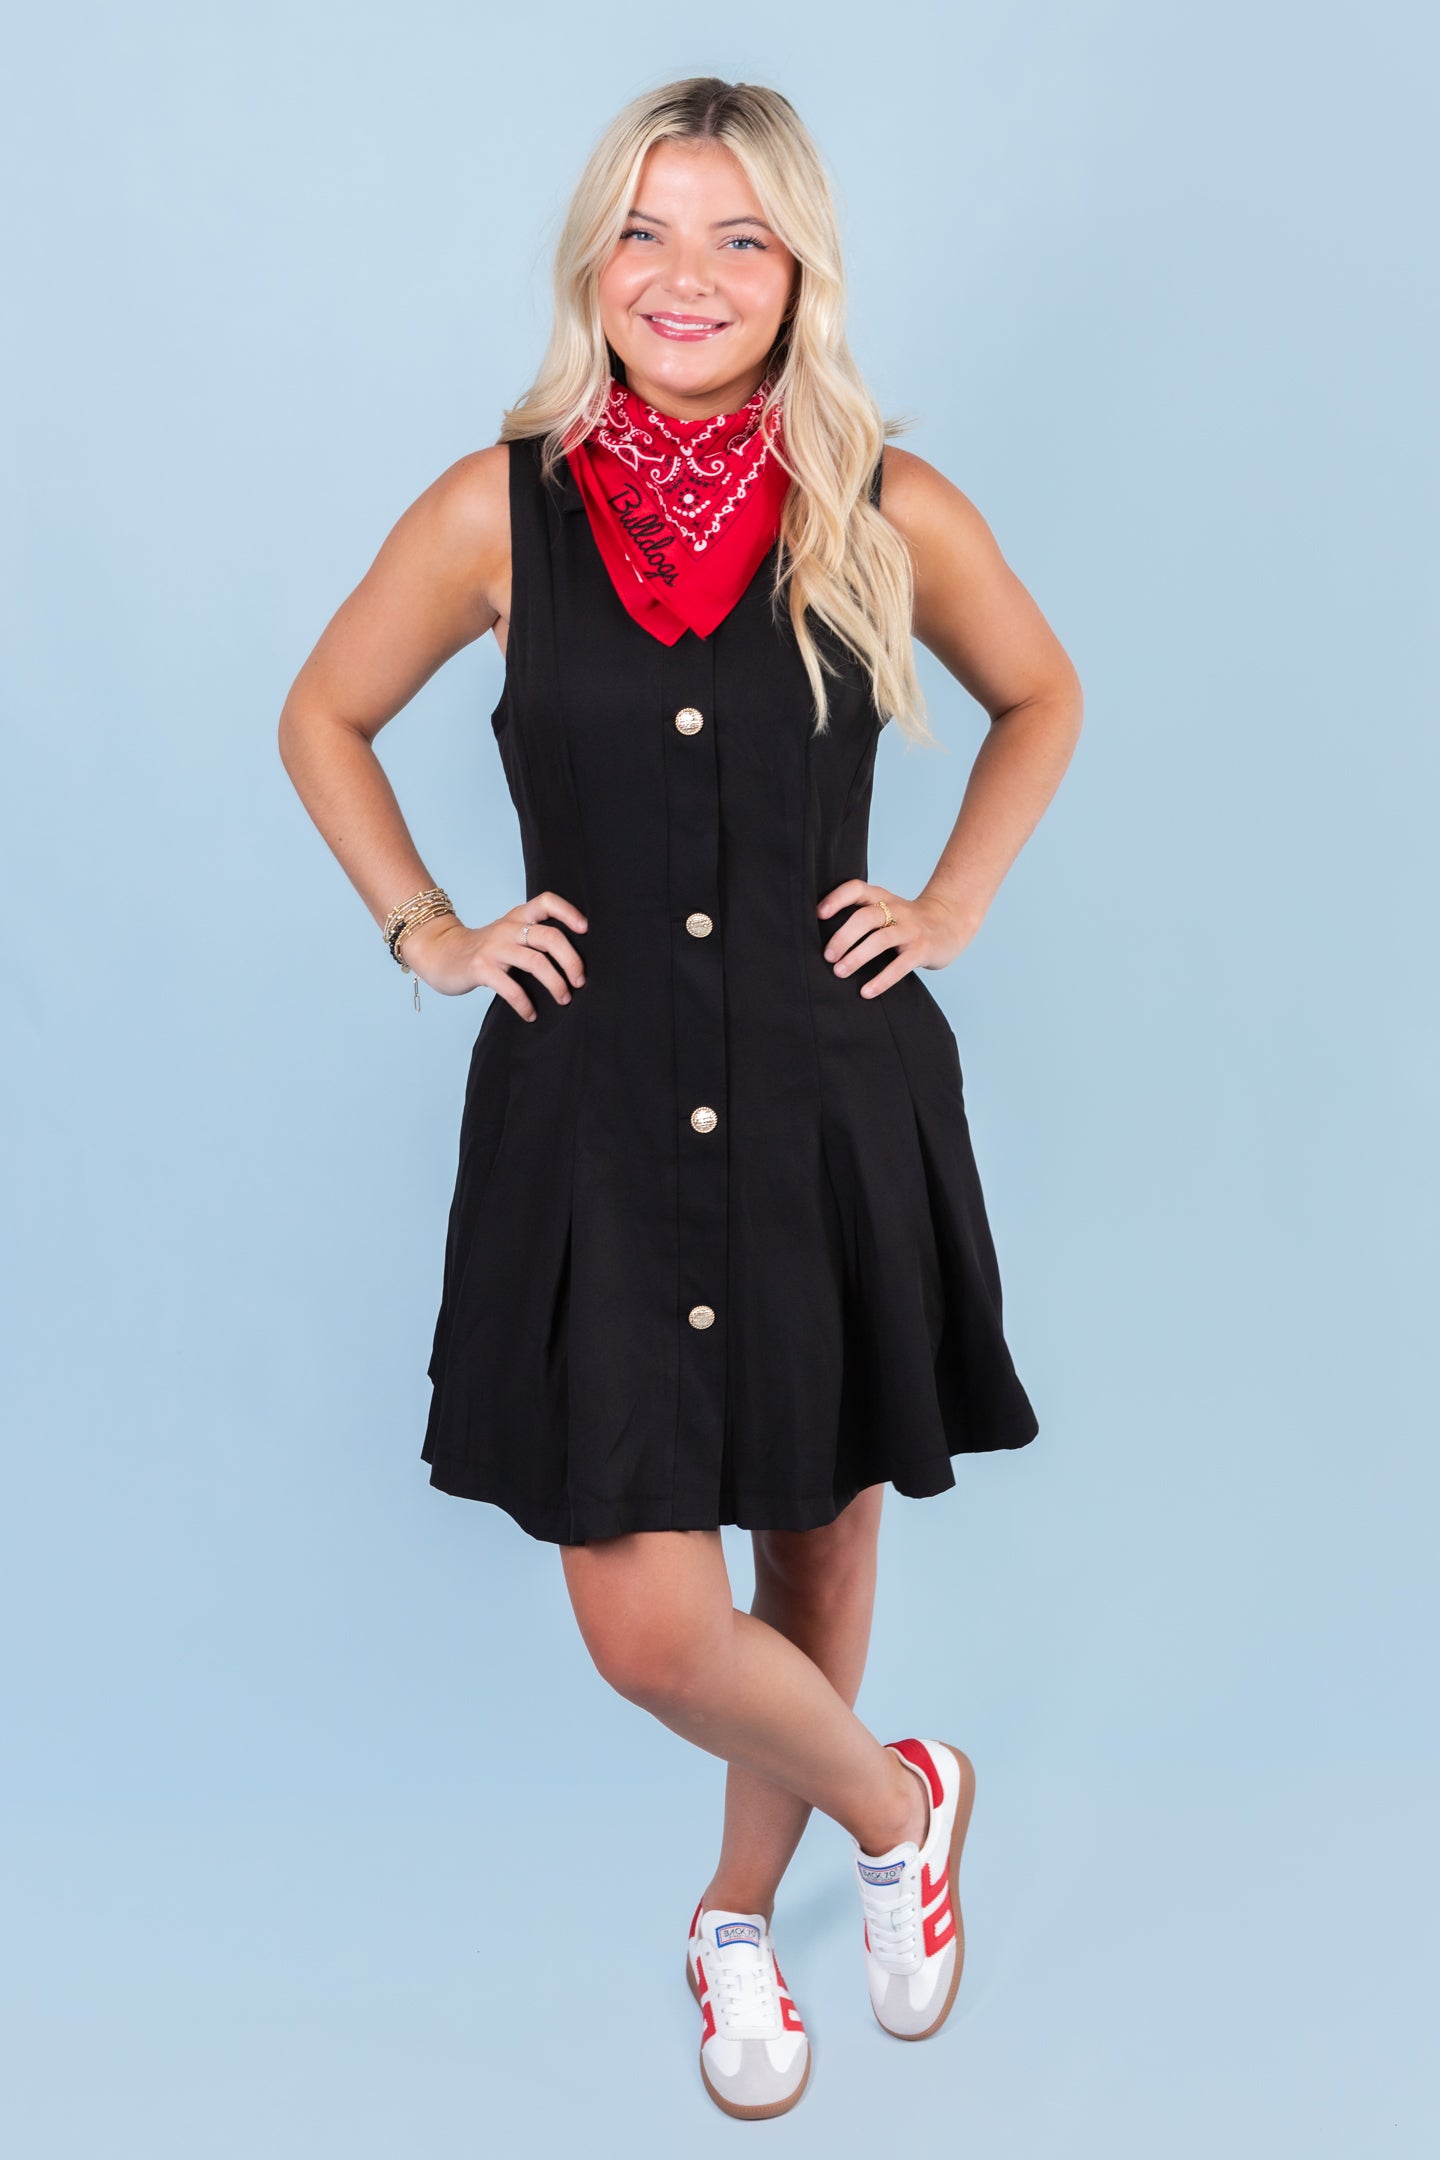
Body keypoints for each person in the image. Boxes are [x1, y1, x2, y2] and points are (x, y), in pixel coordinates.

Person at [277, 74, 1082, 2121]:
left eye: (738, 235)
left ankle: (738, 1922)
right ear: (594, 263)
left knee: (814, 1552)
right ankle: (901, 1806)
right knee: (650, 1625)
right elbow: (324, 715)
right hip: (594, 1125)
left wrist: (954, 902)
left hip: (830, 1101)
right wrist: (429, 928)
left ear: (798, 270)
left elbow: (1040, 693)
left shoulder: (883, 503)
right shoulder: (498, 511)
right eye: (646, 230)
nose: (687, 275)